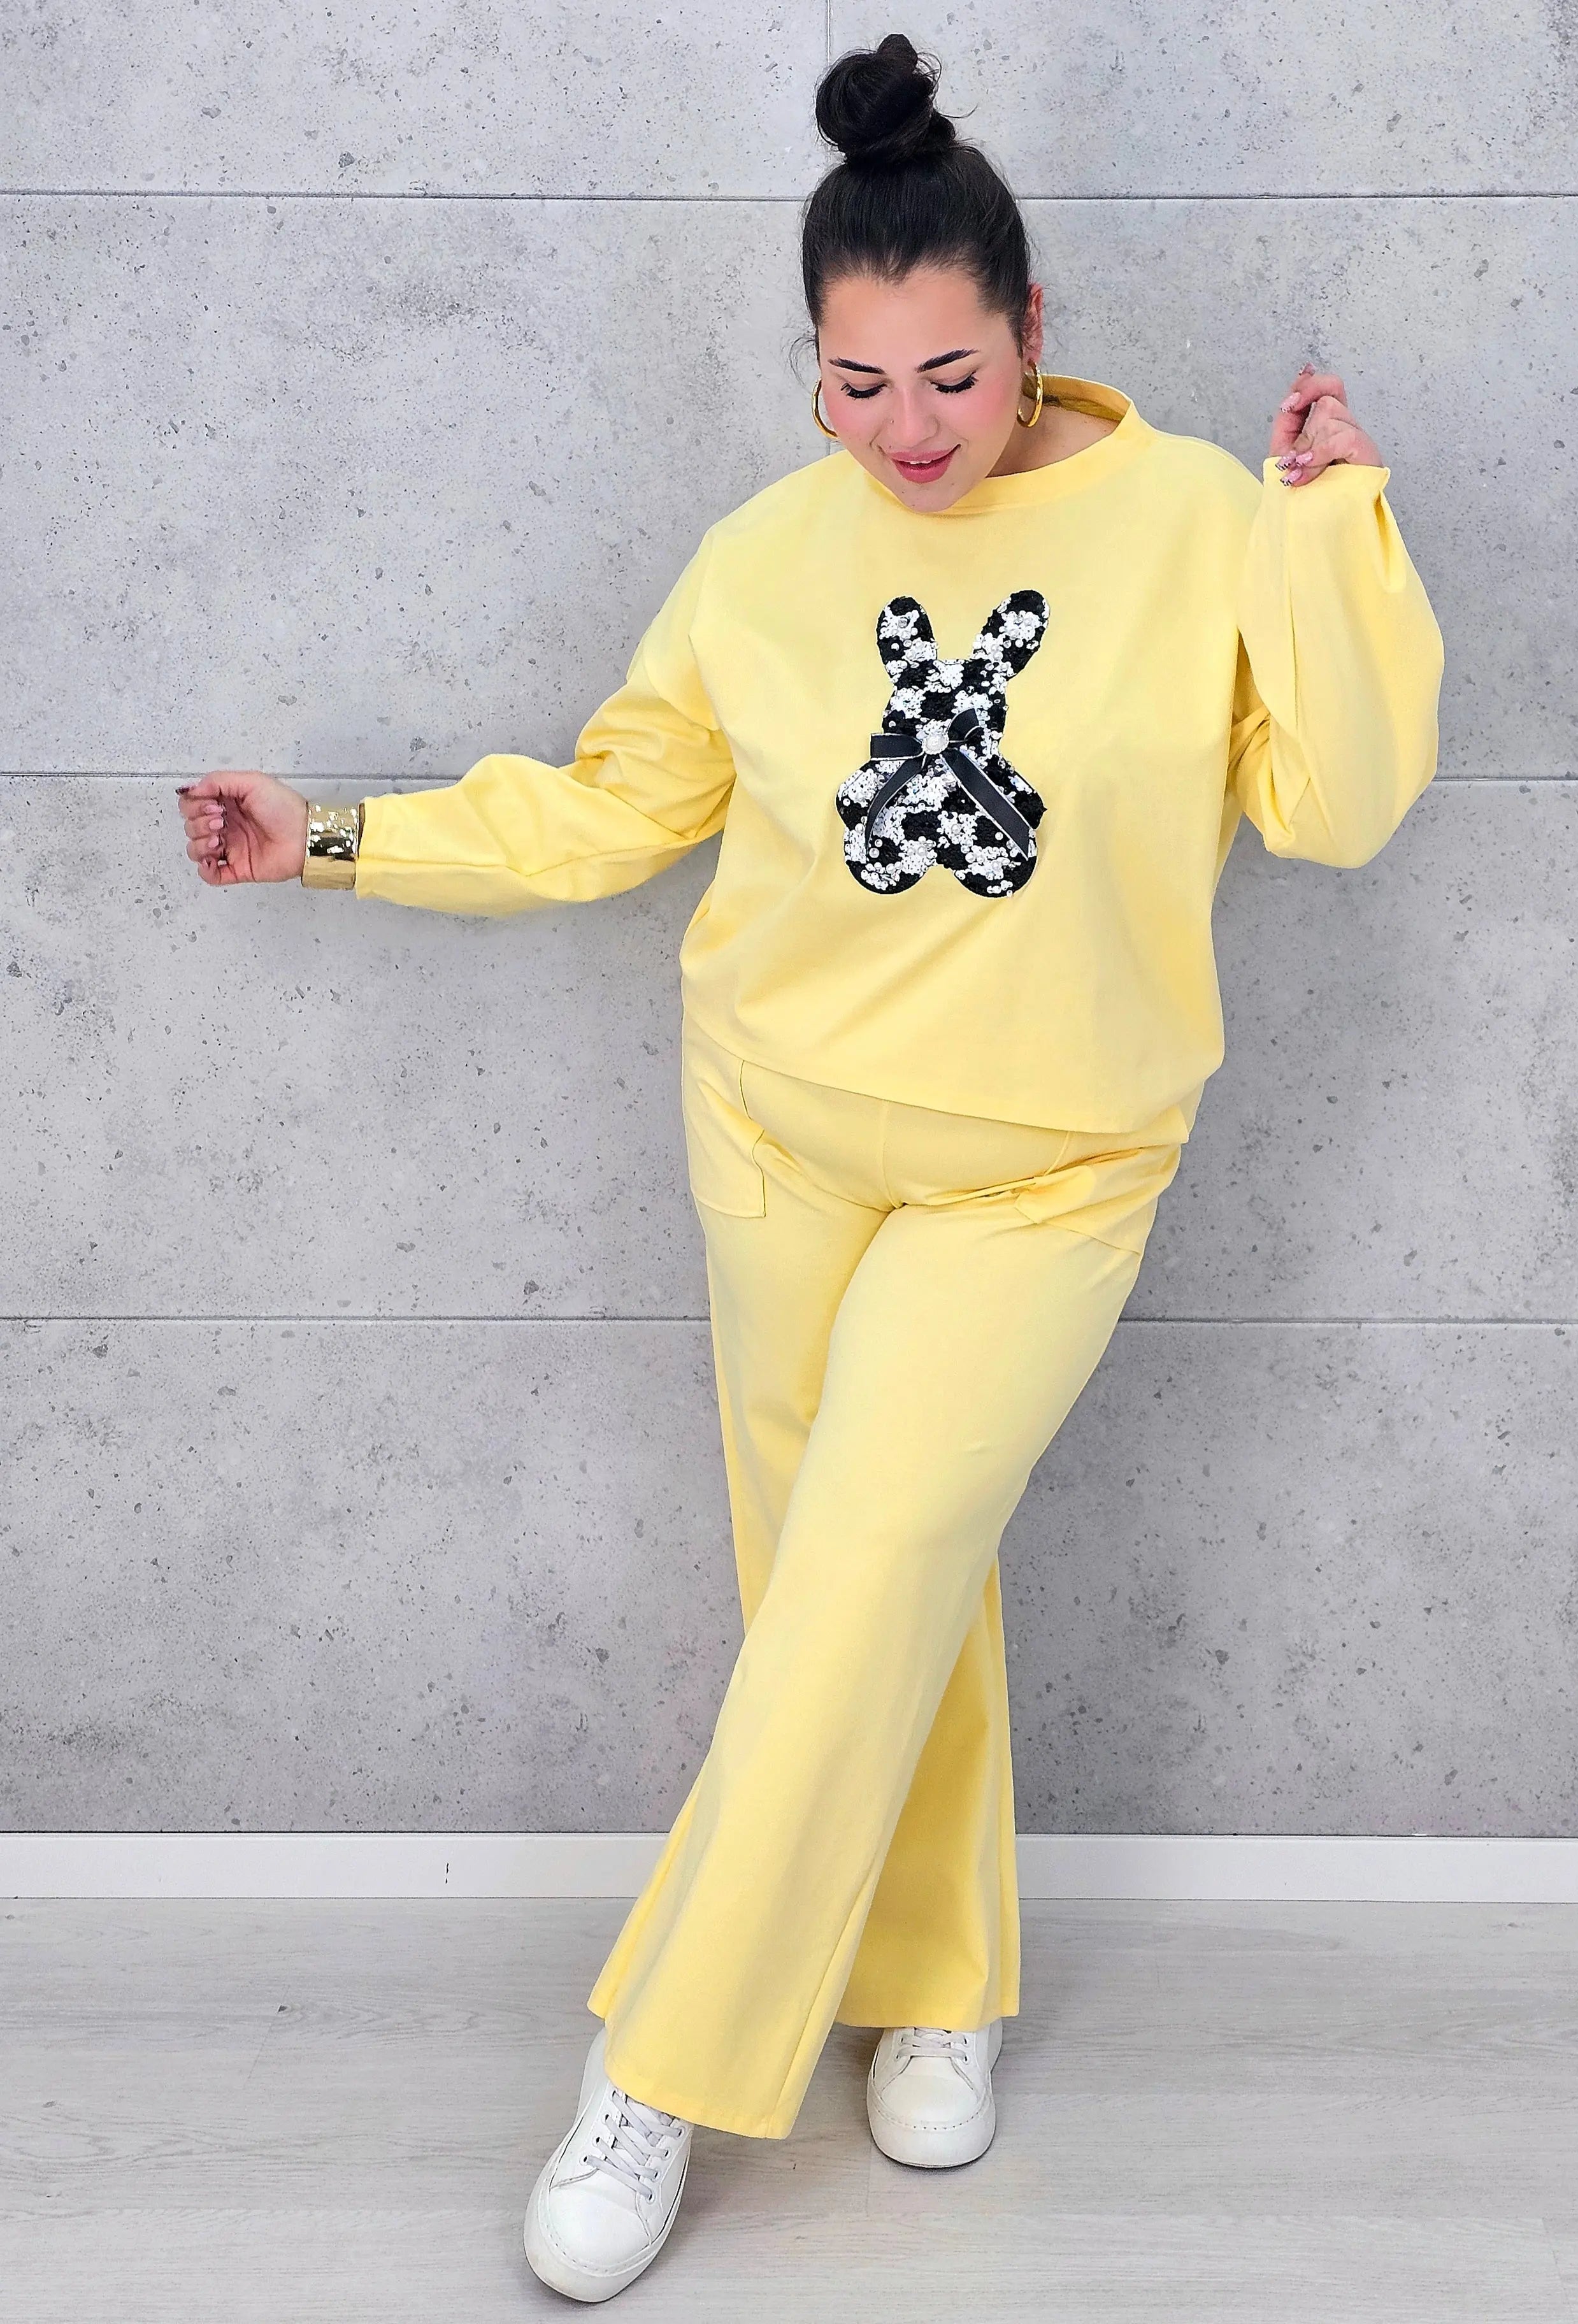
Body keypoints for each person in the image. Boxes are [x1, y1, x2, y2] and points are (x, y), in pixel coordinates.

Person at [175, 31, 1442, 2306]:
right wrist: (334, 835)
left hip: (1047, 1170)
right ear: (812, 370)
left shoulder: (1196, 525)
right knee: (851, 1602)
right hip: (773, 1139)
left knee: (863, 1572)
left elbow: (1336, 805)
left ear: (1035, 333)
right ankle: (937, 1982)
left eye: (951, 375)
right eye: (857, 386)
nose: (909, 431)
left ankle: (653, 2071)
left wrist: (1336, 527)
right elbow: (609, 809)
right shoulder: (761, 560)